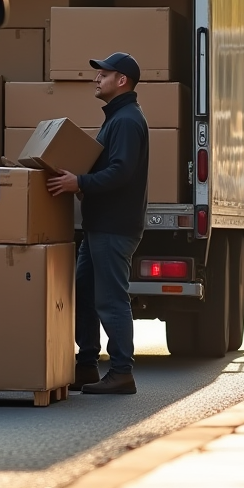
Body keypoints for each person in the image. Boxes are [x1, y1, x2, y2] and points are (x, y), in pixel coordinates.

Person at [47, 52, 150, 394]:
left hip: (113, 226)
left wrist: (81, 183)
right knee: (86, 292)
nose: (96, 78)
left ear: (122, 81)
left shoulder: (126, 121)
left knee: (110, 299)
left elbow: (122, 171)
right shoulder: (115, 118)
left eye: (103, 74)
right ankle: (87, 364)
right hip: (99, 224)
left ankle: (122, 372)